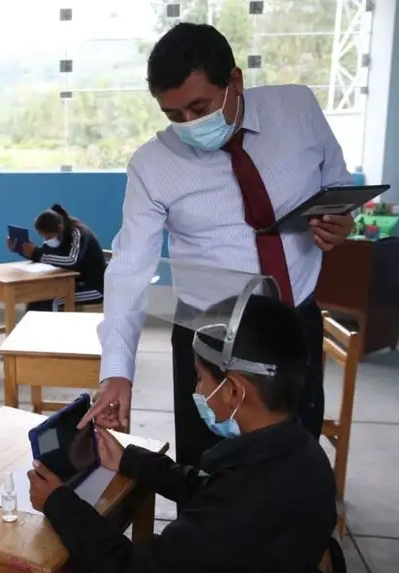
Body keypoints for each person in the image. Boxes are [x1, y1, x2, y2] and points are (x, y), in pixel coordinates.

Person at [81, 23, 355, 470]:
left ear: (235, 81)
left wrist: (341, 220)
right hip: (209, 339)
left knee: (294, 464)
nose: (189, 125)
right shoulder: (153, 165)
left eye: (199, 107)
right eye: (173, 115)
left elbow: (337, 184)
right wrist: (116, 371)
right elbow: (129, 267)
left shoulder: (298, 109)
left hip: (293, 325)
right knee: (207, 471)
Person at [28, 295, 338, 573]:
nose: (198, 390)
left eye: (200, 377)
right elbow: (211, 490)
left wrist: (58, 503)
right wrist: (130, 460)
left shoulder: (235, 511)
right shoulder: (303, 455)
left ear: (234, 390)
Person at [8, 203, 106, 311]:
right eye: (44, 237)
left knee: (52, 299)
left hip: (94, 287)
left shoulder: (78, 233)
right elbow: (45, 256)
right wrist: (23, 250)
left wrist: (36, 253)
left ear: (60, 228)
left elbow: (72, 261)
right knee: (36, 297)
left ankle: (51, 323)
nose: (47, 240)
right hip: (71, 283)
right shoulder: (55, 231)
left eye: (49, 237)